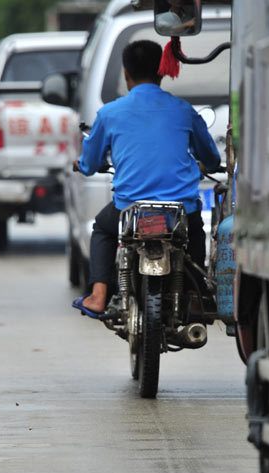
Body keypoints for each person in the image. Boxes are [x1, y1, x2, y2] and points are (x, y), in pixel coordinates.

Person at [71, 40, 220, 317]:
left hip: (129, 209)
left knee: (103, 229)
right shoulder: (183, 110)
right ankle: (195, 296)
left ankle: (99, 294)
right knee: (196, 231)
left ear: (126, 73)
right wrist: (204, 163)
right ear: (161, 72)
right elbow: (211, 158)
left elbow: (90, 165)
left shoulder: (109, 113)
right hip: (179, 211)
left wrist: (81, 165)